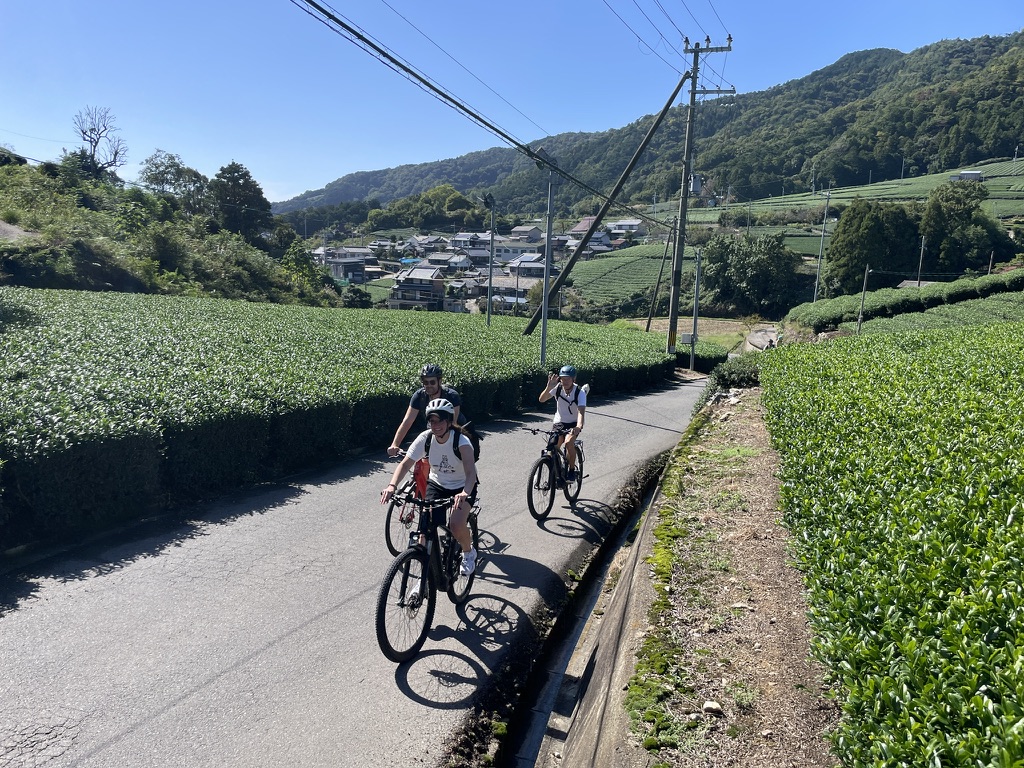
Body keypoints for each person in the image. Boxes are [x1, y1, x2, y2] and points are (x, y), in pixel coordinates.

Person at [381, 398, 478, 576]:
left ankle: (468, 552)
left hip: (462, 486)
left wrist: (465, 492)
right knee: (425, 531)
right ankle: (425, 579)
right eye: (432, 420)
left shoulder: (462, 442)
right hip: (437, 484)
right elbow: (405, 464)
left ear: (449, 421)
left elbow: (471, 473)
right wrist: (392, 486)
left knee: (456, 524)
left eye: (440, 420)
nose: (436, 425)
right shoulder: (425, 439)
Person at [388, 363, 469, 458]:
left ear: (439, 381)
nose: (429, 385)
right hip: (433, 429)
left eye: (432, 382)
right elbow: (407, 421)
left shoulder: (452, 396)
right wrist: (395, 444)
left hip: (455, 430)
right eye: (426, 382)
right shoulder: (419, 396)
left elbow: (453, 423)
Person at [538, 364, 587, 482]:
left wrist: (578, 426)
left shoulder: (580, 392)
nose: (564, 381)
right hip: (559, 422)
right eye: (562, 378)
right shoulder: (558, 388)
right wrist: (548, 387)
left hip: (573, 423)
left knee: (569, 442)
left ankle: (571, 471)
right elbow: (542, 399)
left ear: (573, 379)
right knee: (553, 446)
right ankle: (555, 471)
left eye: (567, 379)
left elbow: (581, 412)